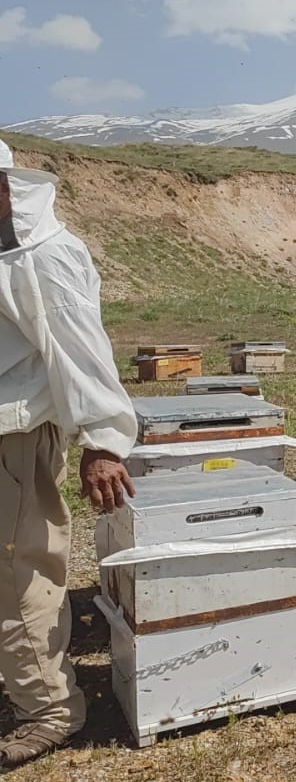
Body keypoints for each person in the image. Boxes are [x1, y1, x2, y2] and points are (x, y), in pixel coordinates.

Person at [0, 138, 137, 767]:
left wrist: (103, 440)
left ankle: (49, 706)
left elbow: (83, 348)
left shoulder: (47, 254)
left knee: (19, 571)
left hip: (17, 436)